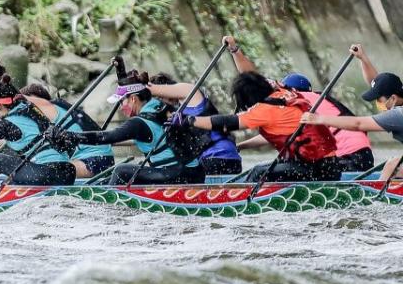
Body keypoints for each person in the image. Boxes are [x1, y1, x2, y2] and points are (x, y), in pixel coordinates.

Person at [169, 36, 340, 182]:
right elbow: (250, 76)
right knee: (265, 168)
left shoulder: (263, 110)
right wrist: (234, 50)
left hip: (318, 170)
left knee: (258, 171)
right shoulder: (281, 90)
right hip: (329, 165)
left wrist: (190, 120)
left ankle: (237, 201)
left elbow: (227, 122)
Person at [50, 70, 205, 185]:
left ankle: (108, 207)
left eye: (121, 102)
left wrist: (70, 136)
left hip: (181, 175)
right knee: (108, 179)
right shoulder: (159, 106)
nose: (121, 108)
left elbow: (106, 137)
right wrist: (120, 69)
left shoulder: (138, 123)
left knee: (121, 171)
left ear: (132, 99)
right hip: (195, 171)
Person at [234, 70, 374, 173]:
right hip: (364, 157)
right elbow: (280, 134)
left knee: (264, 170)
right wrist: (241, 146)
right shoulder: (318, 99)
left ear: (291, 90)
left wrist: (240, 146)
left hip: (347, 159)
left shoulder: (298, 100)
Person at [301, 44, 403, 181]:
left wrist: (320, 119)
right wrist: (363, 59)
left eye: (378, 99)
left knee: (392, 165)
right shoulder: (396, 98)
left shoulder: (398, 115)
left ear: (393, 98)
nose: (377, 102)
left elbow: (358, 124)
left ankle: (376, 200)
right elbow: (376, 82)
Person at [0, 77, 76, 186]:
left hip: (46, 173)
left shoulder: (7, 125)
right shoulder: (29, 111)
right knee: (14, 176)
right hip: (68, 173)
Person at [147, 73, 242, 175]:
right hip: (229, 161)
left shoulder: (190, 94)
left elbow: (148, 89)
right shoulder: (173, 115)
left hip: (215, 159)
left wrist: (132, 86)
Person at [20, 84, 115, 178]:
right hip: (94, 160)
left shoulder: (54, 108)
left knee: (38, 170)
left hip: (97, 161)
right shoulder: (47, 119)